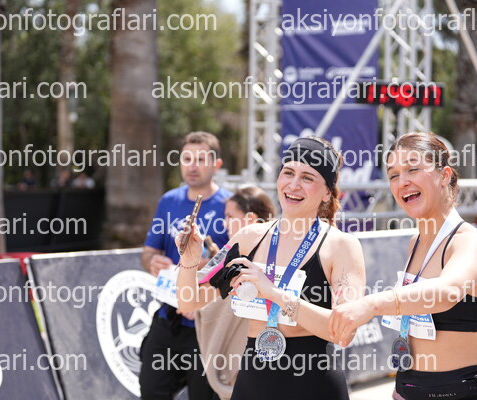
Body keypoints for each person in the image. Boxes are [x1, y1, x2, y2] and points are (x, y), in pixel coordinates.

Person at [175, 136, 366, 400]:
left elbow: (344, 332)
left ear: (327, 193)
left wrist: (274, 293)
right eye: (288, 173)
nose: (293, 184)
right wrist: (189, 259)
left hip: (313, 385)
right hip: (253, 383)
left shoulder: (341, 245)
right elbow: (189, 301)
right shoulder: (249, 237)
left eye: (307, 177)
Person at [329, 132, 477, 400]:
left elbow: (446, 292)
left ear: (445, 175)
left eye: (413, 169)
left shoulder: (470, 242)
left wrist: (371, 305)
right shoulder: (416, 243)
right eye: (393, 175)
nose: (402, 182)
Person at [140, 131, 231, 400]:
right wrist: (152, 261)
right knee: (151, 390)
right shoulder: (169, 201)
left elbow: (240, 262)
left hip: (207, 325)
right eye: (187, 158)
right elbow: (149, 251)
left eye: (201, 159)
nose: (192, 166)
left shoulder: (230, 205)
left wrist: (205, 266)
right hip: (168, 316)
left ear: (216, 164)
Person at [195, 186, 275, 400]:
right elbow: (197, 295)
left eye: (230, 216)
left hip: (256, 369)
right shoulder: (228, 254)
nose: (225, 223)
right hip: (240, 372)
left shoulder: (268, 257)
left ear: (251, 219)